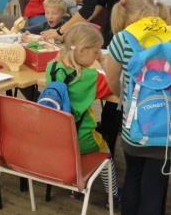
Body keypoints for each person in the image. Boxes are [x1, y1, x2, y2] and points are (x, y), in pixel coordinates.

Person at [105, 0, 171, 215]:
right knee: (154, 188)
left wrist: (126, 98)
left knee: (132, 180)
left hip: (134, 127)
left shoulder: (121, 39)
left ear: (124, 13)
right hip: (167, 131)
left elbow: (112, 80)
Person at [46, 22, 120, 205]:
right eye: (95, 52)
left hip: (57, 135)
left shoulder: (51, 67)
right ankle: (113, 196)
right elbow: (115, 84)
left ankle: (76, 187)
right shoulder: (89, 77)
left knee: (75, 153)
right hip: (81, 134)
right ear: (81, 51)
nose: (97, 56)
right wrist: (103, 61)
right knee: (106, 153)